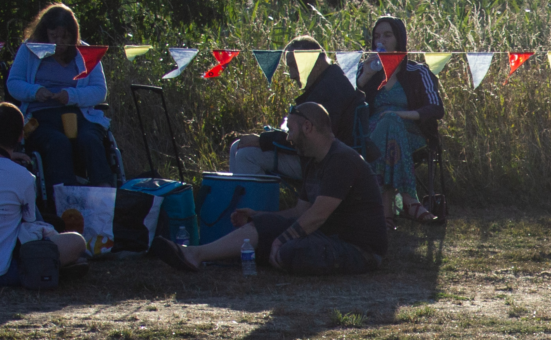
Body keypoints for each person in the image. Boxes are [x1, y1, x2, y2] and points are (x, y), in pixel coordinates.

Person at [150, 103, 385, 276]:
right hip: (328, 236)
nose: (289, 138)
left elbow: (317, 216)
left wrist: (279, 240)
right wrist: (261, 217)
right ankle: (194, 254)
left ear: (308, 127)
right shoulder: (314, 161)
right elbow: (299, 212)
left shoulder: (341, 159)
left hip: (359, 248)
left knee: (288, 251)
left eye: (291, 131)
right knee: (265, 231)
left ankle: (271, 253)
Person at [0, 103, 87, 286]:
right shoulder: (24, 177)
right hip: (3, 272)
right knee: (76, 241)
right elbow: (31, 226)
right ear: (21, 136)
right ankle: (52, 265)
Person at [5, 3, 113, 188]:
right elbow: (13, 83)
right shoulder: (29, 50)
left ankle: (104, 193)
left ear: (74, 35)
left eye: (65, 37)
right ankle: (65, 196)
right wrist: (35, 91)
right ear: (44, 33)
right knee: (57, 142)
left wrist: (71, 95)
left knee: (90, 140)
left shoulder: (85, 52)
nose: (59, 43)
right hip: (41, 117)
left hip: (79, 115)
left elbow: (99, 90)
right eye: (54, 36)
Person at [227, 37, 364, 179]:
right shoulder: (330, 80)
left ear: (316, 63)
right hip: (318, 156)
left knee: (245, 155)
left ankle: (253, 201)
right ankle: (238, 198)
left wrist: (263, 140)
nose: (292, 75)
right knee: (237, 146)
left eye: (295, 66)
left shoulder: (329, 91)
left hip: (322, 163)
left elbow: (309, 137)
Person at [357, 17, 445, 223]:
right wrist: (364, 78)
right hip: (371, 133)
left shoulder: (417, 71)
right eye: (377, 36)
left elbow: (435, 108)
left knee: (391, 123)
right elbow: (346, 106)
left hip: (411, 132)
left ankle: (385, 208)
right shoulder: (366, 70)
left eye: (387, 35)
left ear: (399, 39)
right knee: (387, 126)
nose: (382, 41)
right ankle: (408, 201)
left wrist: (400, 115)